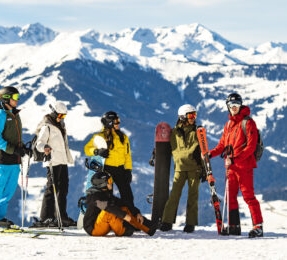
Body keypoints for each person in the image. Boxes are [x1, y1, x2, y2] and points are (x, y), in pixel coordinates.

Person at [204, 93, 263, 238]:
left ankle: (258, 227)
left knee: (248, 197)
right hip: (230, 168)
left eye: (236, 104)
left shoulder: (248, 122)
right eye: (231, 105)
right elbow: (222, 145)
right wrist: (210, 154)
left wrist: (235, 159)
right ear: (228, 107)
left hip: (244, 167)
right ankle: (234, 227)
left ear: (240, 105)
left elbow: (251, 147)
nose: (234, 107)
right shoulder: (229, 124)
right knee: (229, 197)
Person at [160, 104, 206, 233]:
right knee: (174, 196)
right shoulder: (174, 132)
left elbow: (204, 150)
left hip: (194, 168)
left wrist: (205, 169)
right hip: (179, 168)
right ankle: (167, 222)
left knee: (193, 196)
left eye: (194, 115)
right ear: (182, 117)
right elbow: (166, 147)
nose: (193, 118)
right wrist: (156, 153)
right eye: (190, 115)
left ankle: (190, 224)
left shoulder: (197, 131)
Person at [31, 101, 76, 227]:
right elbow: (39, 144)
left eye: (63, 116)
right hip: (52, 161)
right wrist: (44, 147)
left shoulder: (61, 125)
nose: (61, 118)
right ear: (54, 113)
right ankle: (46, 217)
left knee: (63, 189)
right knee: (52, 188)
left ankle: (61, 216)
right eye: (60, 115)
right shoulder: (47, 127)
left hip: (62, 161)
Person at [83, 170, 156, 237]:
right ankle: (123, 231)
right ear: (102, 183)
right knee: (109, 212)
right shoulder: (94, 197)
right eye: (109, 180)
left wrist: (137, 212)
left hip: (102, 223)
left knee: (124, 208)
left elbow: (123, 203)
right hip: (93, 229)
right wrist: (124, 216)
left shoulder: (105, 194)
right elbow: (108, 207)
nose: (111, 182)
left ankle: (149, 227)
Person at [85, 111, 134, 207]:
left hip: (120, 169)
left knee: (127, 196)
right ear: (109, 123)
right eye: (116, 121)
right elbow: (87, 149)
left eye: (118, 120)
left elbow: (127, 155)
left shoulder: (123, 137)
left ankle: (130, 217)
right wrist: (97, 151)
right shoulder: (100, 137)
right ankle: (109, 218)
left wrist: (128, 169)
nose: (118, 123)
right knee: (108, 197)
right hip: (107, 170)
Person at [0, 86, 30, 227]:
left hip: (14, 161)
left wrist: (22, 148)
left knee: (9, 191)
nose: (18, 100)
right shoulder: (0, 114)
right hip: (2, 159)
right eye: (15, 97)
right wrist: (13, 149)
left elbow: (16, 136)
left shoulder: (15, 114)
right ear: (6, 99)